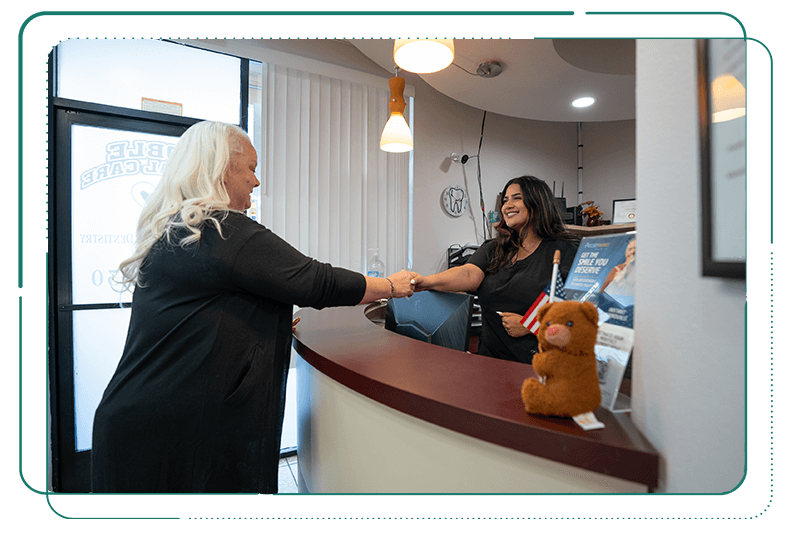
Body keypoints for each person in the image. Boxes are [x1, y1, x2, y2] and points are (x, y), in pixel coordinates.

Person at [91, 121, 418, 493]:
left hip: (143, 420)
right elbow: (316, 281)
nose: (256, 182)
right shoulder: (222, 229)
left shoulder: (181, 228)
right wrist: (390, 286)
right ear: (221, 169)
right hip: (170, 435)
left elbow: (206, 307)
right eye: (251, 168)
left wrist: (265, 319)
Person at [413, 176, 578, 364]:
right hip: (491, 361)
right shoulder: (494, 248)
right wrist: (426, 281)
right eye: (505, 200)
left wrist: (532, 325)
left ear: (538, 201)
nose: (507, 206)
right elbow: (468, 273)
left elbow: (584, 309)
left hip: (541, 365)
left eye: (516, 198)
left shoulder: (565, 250)